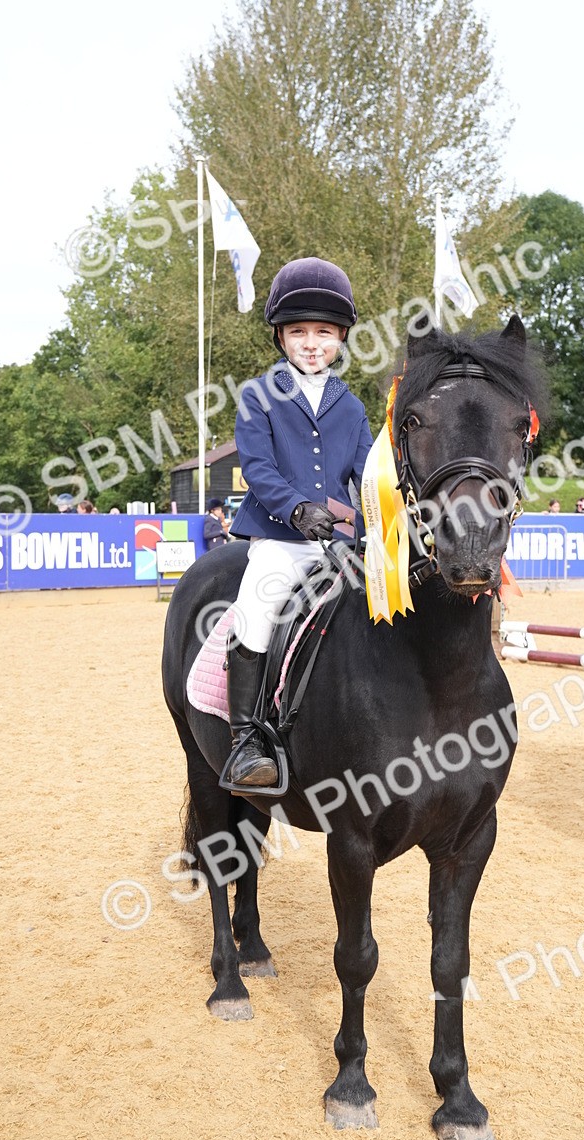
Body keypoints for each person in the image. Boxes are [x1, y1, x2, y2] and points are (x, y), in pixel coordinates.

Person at [226, 257, 373, 787]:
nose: (312, 343)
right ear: (282, 338)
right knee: (257, 607)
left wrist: (374, 519)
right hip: (280, 538)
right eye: (298, 332)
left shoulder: (353, 407)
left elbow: (367, 472)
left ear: (340, 339)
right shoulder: (258, 396)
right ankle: (245, 741)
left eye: (324, 333)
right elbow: (258, 469)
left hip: (339, 544)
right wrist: (294, 508)